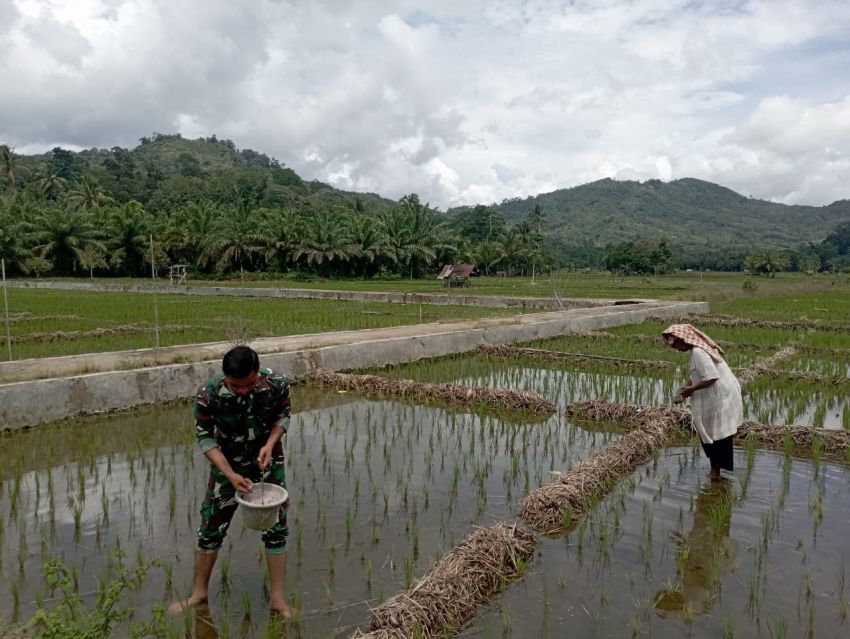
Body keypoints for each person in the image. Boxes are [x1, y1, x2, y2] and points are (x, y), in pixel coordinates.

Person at [169, 345, 292, 617]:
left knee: (277, 529)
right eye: (235, 386)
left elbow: (283, 416)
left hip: (267, 465)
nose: (241, 391)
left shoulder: (277, 384)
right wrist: (229, 474)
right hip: (227, 468)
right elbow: (205, 436)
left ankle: (277, 599)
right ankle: (199, 594)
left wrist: (270, 445)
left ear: (257, 373)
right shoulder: (208, 394)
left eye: (247, 385)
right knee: (210, 527)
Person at [662, 324, 743, 481]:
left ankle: (716, 473)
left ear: (684, 340)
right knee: (715, 432)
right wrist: (687, 387)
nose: (676, 349)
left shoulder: (698, 352)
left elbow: (711, 377)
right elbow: (699, 374)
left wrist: (691, 390)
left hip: (719, 396)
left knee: (717, 434)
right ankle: (716, 472)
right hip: (721, 393)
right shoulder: (696, 350)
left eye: (677, 345)